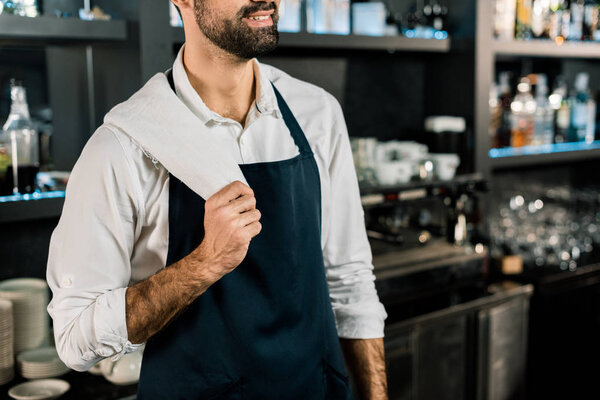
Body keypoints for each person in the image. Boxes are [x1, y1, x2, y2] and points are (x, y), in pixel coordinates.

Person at [46, 0, 388, 398]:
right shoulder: (122, 147)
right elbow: (73, 338)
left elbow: (351, 283)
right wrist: (204, 264)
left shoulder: (317, 115)